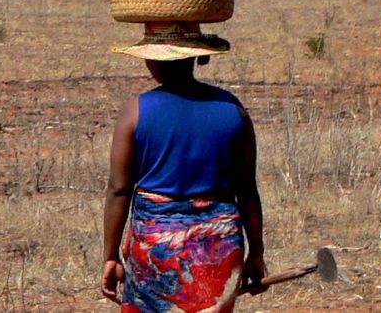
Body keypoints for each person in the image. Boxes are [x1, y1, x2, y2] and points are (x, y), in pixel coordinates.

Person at [101, 22, 267, 312]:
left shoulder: (137, 110)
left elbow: (119, 190)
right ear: (195, 56)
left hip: (156, 253)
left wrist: (111, 256)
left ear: (153, 59)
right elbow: (247, 191)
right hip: (219, 250)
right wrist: (256, 252)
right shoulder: (233, 110)